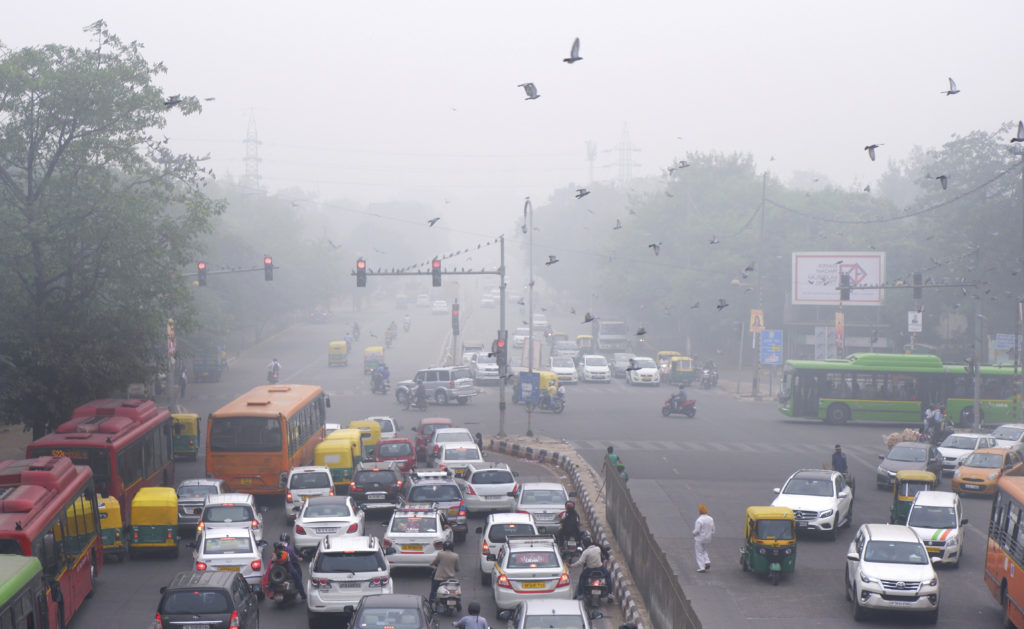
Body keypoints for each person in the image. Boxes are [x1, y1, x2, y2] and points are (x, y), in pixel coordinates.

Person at [570, 531, 612, 600]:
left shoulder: (586, 552)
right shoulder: (598, 548)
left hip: (590, 569)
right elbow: (604, 552)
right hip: (600, 567)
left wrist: (572, 565)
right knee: (608, 576)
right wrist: (607, 558)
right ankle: (610, 593)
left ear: (584, 544)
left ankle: (580, 594)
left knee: (582, 578)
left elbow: (580, 562)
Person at [277, 534, 306, 600]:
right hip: (289, 569)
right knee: (298, 580)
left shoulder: (277, 548)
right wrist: (299, 558)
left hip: (278, 569)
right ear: (288, 540)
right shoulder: (289, 548)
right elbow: (294, 557)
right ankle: (303, 595)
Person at [693, 504, 715, 573]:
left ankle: (702, 567)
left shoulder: (699, 520)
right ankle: (707, 561)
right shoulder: (711, 519)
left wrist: (693, 534)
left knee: (699, 552)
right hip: (708, 538)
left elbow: (697, 530)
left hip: (700, 539)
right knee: (704, 550)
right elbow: (713, 529)